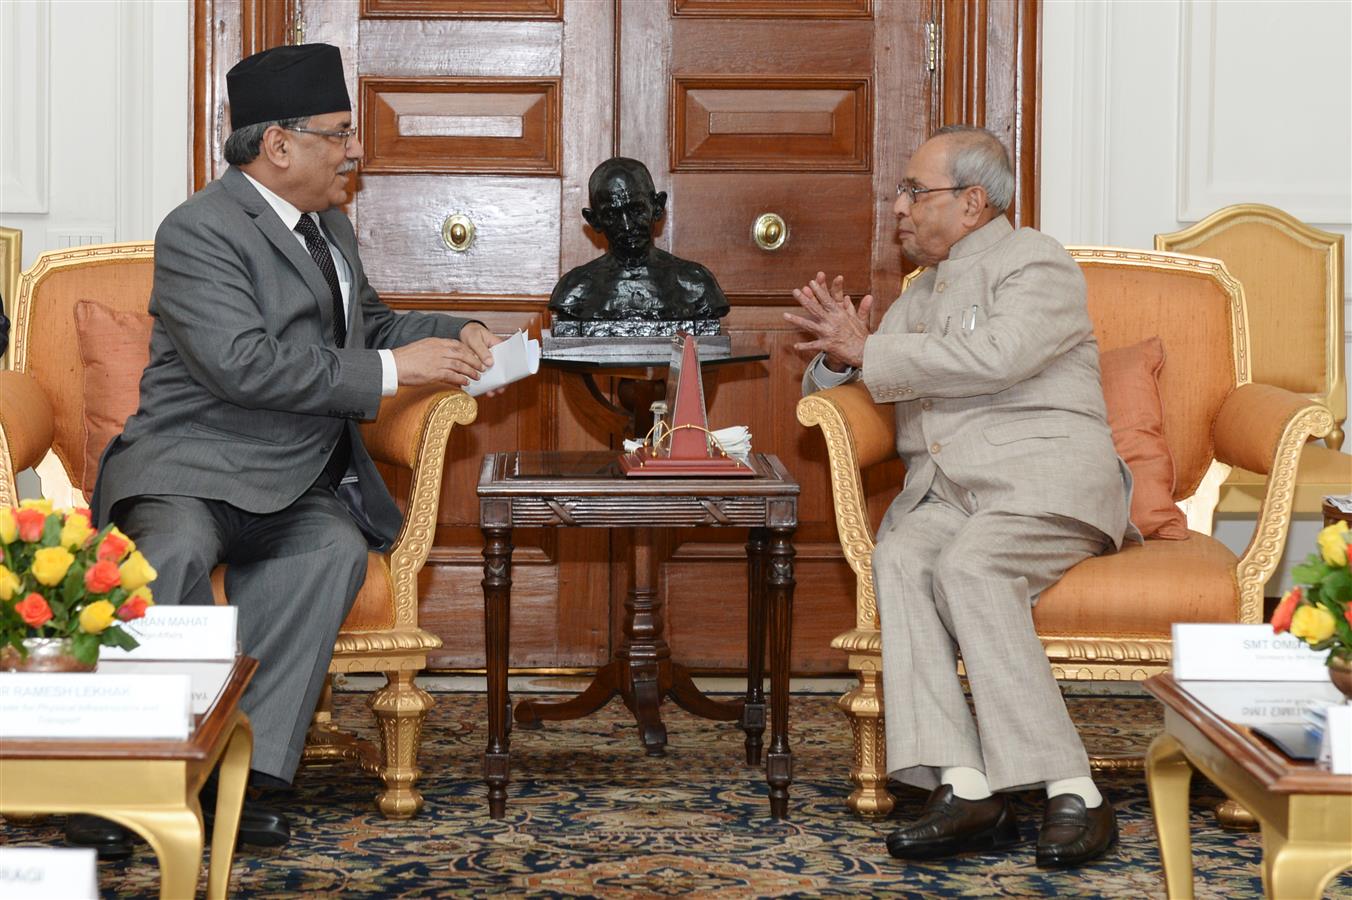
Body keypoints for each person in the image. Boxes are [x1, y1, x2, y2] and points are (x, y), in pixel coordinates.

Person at [67, 43, 502, 858]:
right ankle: (133, 774)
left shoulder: (328, 226)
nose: (354, 150)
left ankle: (255, 773)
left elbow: (369, 324)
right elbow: (242, 363)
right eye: (340, 133)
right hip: (189, 467)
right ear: (279, 145)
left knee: (329, 549)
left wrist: (453, 330)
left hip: (292, 479)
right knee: (169, 551)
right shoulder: (198, 230)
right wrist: (390, 370)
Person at [790, 125, 1134, 868]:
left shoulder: (1035, 262)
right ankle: (966, 781)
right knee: (905, 552)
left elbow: (997, 356)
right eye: (901, 193)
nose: (900, 207)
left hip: (1042, 482)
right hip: (948, 492)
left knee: (970, 567)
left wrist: (870, 349)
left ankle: (1075, 789)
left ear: (974, 202)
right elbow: (871, 371)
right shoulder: (920, 295)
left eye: (916, 191)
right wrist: (833, 358)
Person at [548, 157, 728, 336]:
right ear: (594, 221)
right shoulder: (573, 291)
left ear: (657, 207)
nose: (626, 226)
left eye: (636, 210)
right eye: (611, 214)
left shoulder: (696, 285)